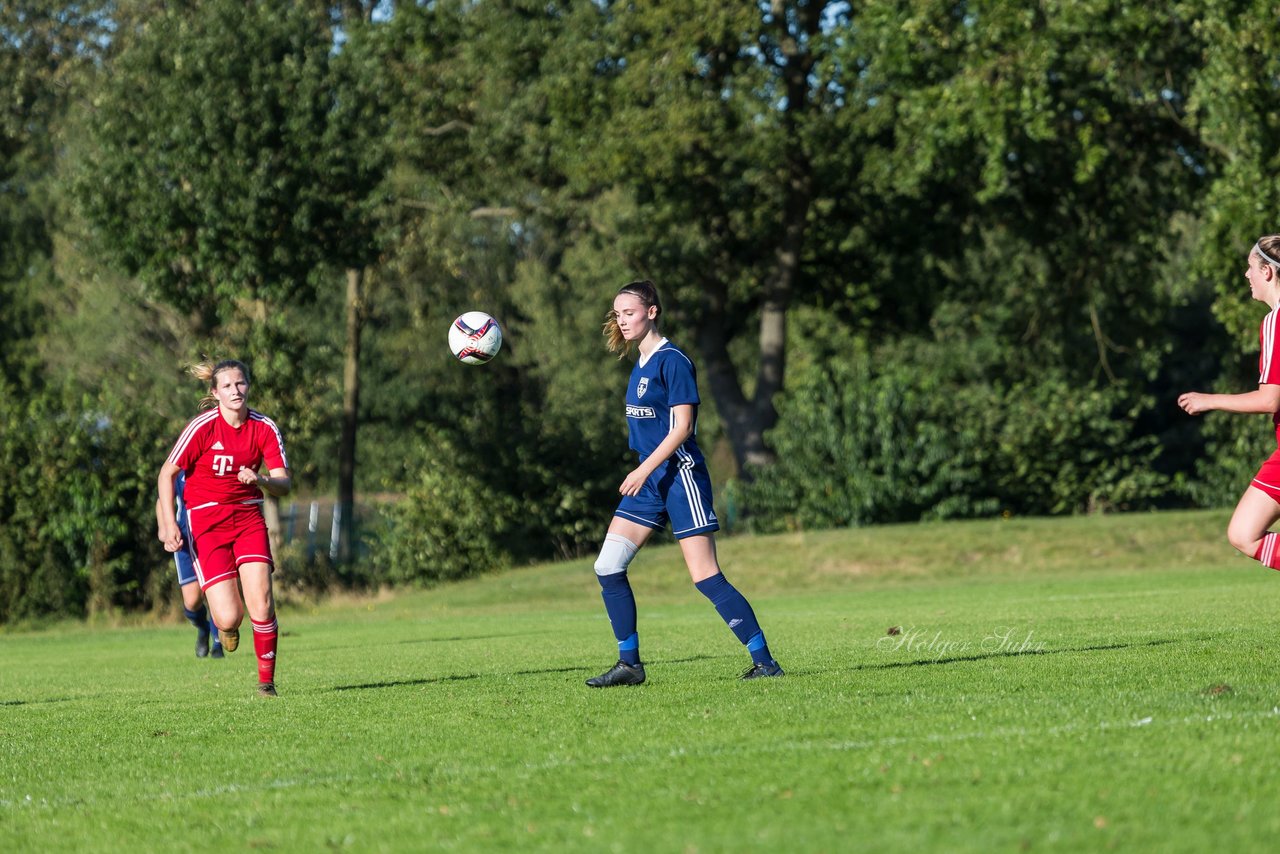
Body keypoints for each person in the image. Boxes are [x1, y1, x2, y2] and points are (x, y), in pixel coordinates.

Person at [585, 280, 783, 687]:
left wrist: (643, 470)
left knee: (705, 576)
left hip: (680, 476)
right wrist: (644, 470)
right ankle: (630, 665)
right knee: (608, 566)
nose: (622, 321)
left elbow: (682, 428)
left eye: (630, 313)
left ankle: (765, 662)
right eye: (617, 314)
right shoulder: (639, 362)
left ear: (652, 312)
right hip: (650, 478)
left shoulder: (672, 360)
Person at [156, 359, 291, 697]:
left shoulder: (264, 427)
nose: (236, 391)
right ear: (215, 393)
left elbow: (283, 483)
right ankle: (225, 627)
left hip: (247, 518)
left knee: (261, 600)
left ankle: (266, 684)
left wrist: (259, 479)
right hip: (206, 523)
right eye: (227, 386)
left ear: (248, 387)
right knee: (229, 618)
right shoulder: (202, 427)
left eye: (241, 384)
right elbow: (166, 473)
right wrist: (169, 523)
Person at [1179, 235, 1280, 570]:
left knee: (1244, 533)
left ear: (1267, 272)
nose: (1246, 275)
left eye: (1250, 267)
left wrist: (1209, 400)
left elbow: (1270, 399)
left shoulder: (1275, 322)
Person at [156, 470, 223, 658]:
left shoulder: (214, 461)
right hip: (186, 539)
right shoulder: (178, 467)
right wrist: (165, 529)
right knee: (192, 601)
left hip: (213, 535)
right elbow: (162, 500)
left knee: (215, 593)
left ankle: (218, 643)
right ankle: (204, 629)